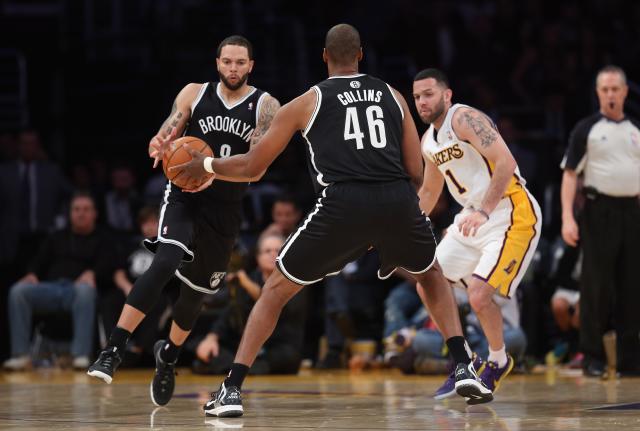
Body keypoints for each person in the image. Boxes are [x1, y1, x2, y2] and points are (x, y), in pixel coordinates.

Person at [177, 24, 492, 417]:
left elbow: (253, 167)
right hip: (395, 198)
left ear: (324, 57)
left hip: (343, 203)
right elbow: (415, 167)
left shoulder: (306, 102)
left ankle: (231, 390)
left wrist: (204, 163)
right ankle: (464, 364)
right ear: (361, 55)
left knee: (275, 287)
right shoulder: (393, 95)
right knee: (430, 273)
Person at [87, 35, 281, 407]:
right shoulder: (194, 93)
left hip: (225, 206)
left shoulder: (266, 106)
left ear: (251, 65)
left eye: (241, 62)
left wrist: (210, 168)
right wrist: (161, 142)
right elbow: (170, 127)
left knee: (195, 297)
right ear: (217, 62)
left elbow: (256, 167)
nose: (233, 68)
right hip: (184, 196)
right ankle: (113, 349)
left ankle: (169, 356)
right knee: (164, 260)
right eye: (227, 61)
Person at [413, 68, 541, 398]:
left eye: (428, 94)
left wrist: (484, 210)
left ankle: (497, 362)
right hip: (471, 217)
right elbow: (429, 193)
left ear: (447, 94)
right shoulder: (428, 141)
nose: (422, 102)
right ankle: (465, 362)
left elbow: (506, 162)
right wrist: (397, 228)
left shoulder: (465, 118)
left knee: (479, 294)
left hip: (509, 211)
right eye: (416, 97)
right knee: (427, 281)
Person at [560, 65, 640, 377]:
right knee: (596, 286)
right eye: (604, 89)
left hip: (632, 213)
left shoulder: (636, 129)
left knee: (632, 286)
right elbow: (569, 174)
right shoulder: (586, 129)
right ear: (598, 93)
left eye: (614, 89)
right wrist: (568, 217)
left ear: (624, 92)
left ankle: (630, 358)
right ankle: (592, 356)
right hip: (598, 211)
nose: (610, 94)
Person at [3, 192, 113, 370]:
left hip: (78, 291)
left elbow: (109, 264)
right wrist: (32, 273)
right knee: (18, 291)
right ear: (70, 213)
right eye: (76, 209)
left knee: (85, 291)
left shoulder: (103, 239)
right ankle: (20, 355)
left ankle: (80, 355)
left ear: (95, 214)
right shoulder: (57, 236)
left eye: (86, 209)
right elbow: (38, 260)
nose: (81, 213)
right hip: (52, 289)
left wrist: (93, 273)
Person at [193, 233, 307, 375]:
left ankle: (234, 368)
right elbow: (229, 312)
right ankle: (242, 368)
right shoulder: (250, 278)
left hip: (277, 347)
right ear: (258, 257)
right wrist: (212, 337)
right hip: (250, 347)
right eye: (267, 251)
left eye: (278, 251)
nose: (273, 255)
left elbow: (272, 302)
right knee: (201, 344)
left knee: (289, 357)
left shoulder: (295, 281)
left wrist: (245, 283)